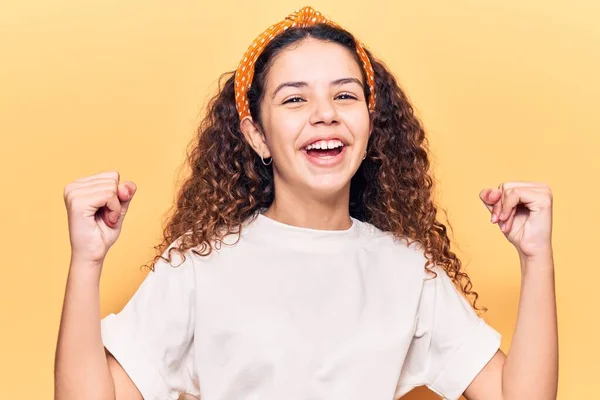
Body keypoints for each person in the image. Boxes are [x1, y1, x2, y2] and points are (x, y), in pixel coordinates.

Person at [54, 6, 558, 400]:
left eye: (345, 96)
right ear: (256, 135)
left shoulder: (408, 270)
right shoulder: (198, 264)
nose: (324, 115)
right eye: (294, 99)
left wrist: (535, 258)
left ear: (368, 120)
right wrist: (87, 261)